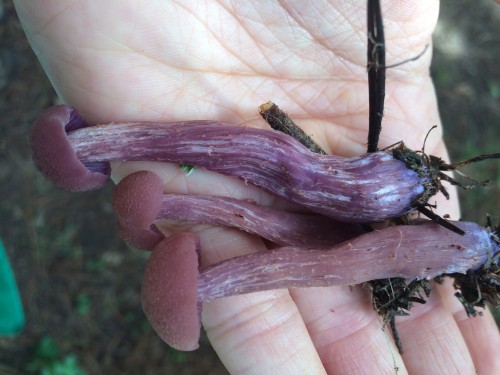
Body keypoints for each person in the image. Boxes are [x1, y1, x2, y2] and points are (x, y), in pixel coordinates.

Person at [14, 1, 499, 373]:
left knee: (316, 230)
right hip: (383, 196)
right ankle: (97, 145)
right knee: (298, 204)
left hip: (387, 202)